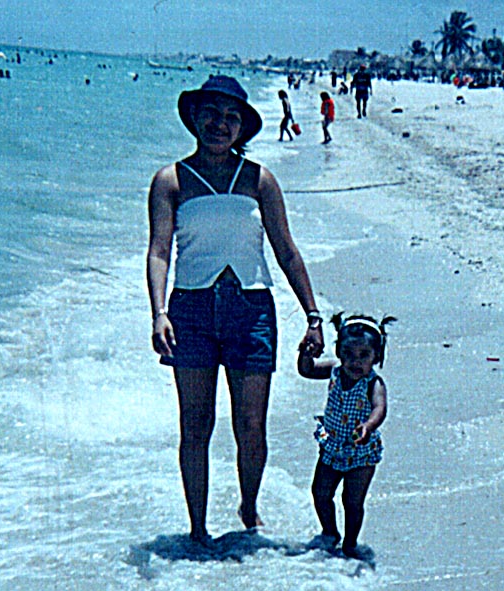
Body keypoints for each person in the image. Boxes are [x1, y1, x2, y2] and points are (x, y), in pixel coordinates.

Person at [147, 75, 325, 542]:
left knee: (251, 426)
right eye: (210, 113)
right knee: (196, 425)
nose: (219, 124)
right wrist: (158, 312)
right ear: (194, 118)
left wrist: (313, 314)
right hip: (191, 312)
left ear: (243, 127)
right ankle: (199, 528)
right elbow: (160, 251)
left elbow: (286, 250)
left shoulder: (259, 179)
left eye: (231, 117)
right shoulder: (170, 180)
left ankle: (248, 506)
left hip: (252, 310)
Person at [297, 313, 394, 558]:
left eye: (364, 355)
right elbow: (306, 371)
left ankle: (350, 542)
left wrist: (368, 426)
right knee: (320, 493)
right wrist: (305, 354)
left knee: (352, 502)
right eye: (348, 354)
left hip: (361, 452)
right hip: (332, 446)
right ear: (339, 352)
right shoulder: (334, 371)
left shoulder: (374, 384)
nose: (355, 361)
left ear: (377, 356)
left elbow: (380, 408)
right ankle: (330, 533)